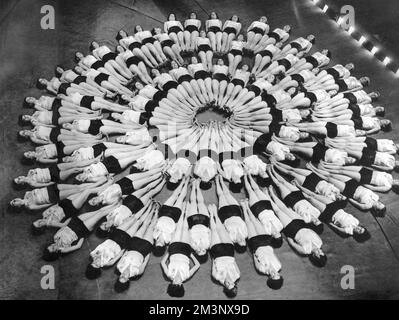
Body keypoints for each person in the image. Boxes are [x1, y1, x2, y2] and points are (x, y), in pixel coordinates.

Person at [86, 202, 156, 279]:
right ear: (99, 269)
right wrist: (126, 247)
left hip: (114, 236)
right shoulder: (107, 263)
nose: (96, 262)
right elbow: (119, 256)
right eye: (97, 265)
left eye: (94, 263)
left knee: (133, 218)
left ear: (91, 263)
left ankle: (148, 205)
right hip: (122, 242)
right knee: (138, 222)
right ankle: (151, 211)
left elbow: (102, 244)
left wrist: (98, 254)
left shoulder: (93, 254)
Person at [268, 186, 327, 267]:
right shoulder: (320, 242)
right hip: (301, 224)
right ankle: (272, 193)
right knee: (284, 208)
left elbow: (292, 243)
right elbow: (312, 232)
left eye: (319, 254)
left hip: (292, 229)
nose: (320, 251)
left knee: (278, 212)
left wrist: (287, 232)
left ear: (315, 257)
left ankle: (268, 198)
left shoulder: (305, 251)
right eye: (322, 252)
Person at [241, 200, 283, 289]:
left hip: (255, 244)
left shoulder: (262, 269)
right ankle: (247, 207)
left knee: (249, 223)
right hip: (266, 242)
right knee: (255, 221)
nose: (274, 273)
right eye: (277, 275)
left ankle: (244, 208)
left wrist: (253, 247)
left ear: (269, 278)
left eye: (273, 276)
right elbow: (273, 254)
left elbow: (254, 258)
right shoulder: (279, 265)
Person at [161, 207, 200, 297]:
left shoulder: (169, 275)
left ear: (171, 284)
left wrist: (168, 253)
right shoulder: (186, 276)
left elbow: (163, 263)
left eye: (173, 284)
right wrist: (191, 255)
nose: (176, 282)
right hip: (186, 251)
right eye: (178, 285)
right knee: (185, 228)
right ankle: (186, 212)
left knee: (178, 228)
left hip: (174, 250)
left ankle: (182, 210)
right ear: (181, 285)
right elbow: (197, 265)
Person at [115, 211, 158, 292]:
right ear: (128, 280)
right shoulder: (137, 272)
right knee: (151, 227)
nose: (123, 275)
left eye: (121, 277)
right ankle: (156, 214)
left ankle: (152, 210)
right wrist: (149, 249)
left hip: (133, 245)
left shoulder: (119, 266)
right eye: (124, 278)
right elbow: (145, 262)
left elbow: (124, 255)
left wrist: (129, 246)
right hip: (144, 248)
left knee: (144, 225)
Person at [208, 204, 240, 297]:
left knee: (214, 231)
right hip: (229, 251)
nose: (228, 283)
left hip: (217, 252)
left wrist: (214, 252)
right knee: (221, 230)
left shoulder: (217, 277)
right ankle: (215, 213)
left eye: (227, 286)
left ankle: (210, 214)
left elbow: (213, 262)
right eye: (231, 284)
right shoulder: (237, 275)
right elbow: (234, 261)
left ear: (225, 288)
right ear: (234, 285)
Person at [154, 178, 189, 247]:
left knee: (174, 195)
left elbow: (155, 223)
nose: (159, 242)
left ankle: (182, 182)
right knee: (180, 198)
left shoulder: (154, 235)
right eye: (161, 244)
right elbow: (176, 229)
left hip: (163, 213)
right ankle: (187, 182)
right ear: (164, 246)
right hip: (174, 216)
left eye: (157, 244)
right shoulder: (169, 239)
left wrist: (156, 212)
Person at [215, 175, 248, 246]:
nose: (242, 239)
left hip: (225, 214)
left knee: (221, 196)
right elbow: (244, 222)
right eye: (243, 241)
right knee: (227, 194)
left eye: (240, 241)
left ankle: (217, 182)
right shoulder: (245, 234)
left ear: (237, 243)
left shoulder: (231, 238)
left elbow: (223, 229)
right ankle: (221, 180)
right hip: (236, 212)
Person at [186, 179, 211, 256]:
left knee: (193, 202)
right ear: (206, 251)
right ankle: (198, 186)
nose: (201, 250)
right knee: (201, 202)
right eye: (203, 251)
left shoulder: (192, 245)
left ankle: (194, 186)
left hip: (193, 222)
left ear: (195, 252)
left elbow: (188, 233)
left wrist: (186, 213)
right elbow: (210, 232)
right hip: (204, 222)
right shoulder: (208, 244)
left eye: (199, 251)